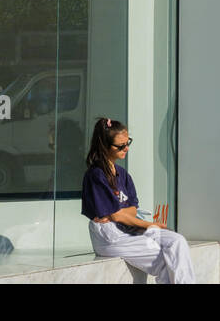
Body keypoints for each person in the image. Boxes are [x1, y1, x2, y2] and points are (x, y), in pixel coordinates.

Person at [81, 117, 195, 284]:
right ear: (104, 147)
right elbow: (116, 216)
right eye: (120, 146)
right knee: (167, 261)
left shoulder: (123, 174)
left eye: (128, 143)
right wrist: (149, 224)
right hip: (110, 237)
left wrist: (116, 213)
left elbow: (130, 211)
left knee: (177, 241)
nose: (126, 148)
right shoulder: (96, 175)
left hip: (129, 228)